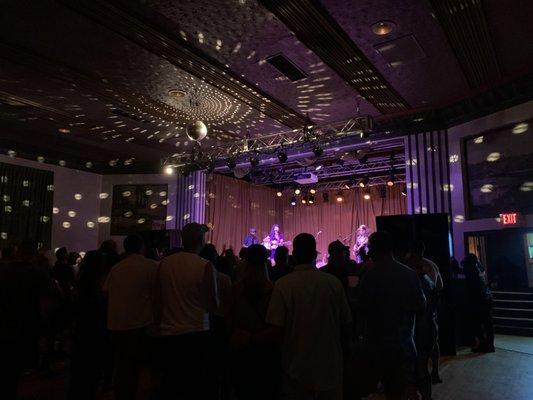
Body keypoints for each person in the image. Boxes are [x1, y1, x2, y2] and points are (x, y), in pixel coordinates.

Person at [266, 233, 352, 400]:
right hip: (330, 364)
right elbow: (346, 323)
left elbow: (276, 328)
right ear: (315, 255)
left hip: (296, 367)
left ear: (294, 256)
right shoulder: (333, 283)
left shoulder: (283, 285)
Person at [358, 231, 426, 400]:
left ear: (373, 250)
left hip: (377, 348)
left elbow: (362, 310)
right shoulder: (409, 274)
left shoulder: (369, 277)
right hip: (404, 346)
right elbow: (421, 305)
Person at [156, 223, 218, 400]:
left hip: (168, 332)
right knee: (195, 383)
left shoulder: (164, 264)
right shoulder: (205, 266)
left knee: (171, 381)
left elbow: (157, 298)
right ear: (200, 240)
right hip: (197, 331)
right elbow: (213, 304)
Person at [103, 235, 158, 400]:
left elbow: (106, 292)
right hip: (140, 323)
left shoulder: (117, 268)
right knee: (142, 366)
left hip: (117, 324)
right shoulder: (151, 266)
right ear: (142, 247)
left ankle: (122, 393)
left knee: (122, 365)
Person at [226, 244, 280, 400]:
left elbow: (228, 321)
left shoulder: (235, 290)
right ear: (266, 263)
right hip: (268, 352)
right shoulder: (275, 290)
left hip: (242, 351)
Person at [0, 242, 50, 400]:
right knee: (15, 364)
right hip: (26, 323)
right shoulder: (37, 273)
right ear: (33, 254)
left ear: (17, 252)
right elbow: (44, 301)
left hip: (5, 321)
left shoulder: (4, 270)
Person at [405, 241, 443, 383]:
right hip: (430, 314)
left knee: (415, 348)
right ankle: (435, 372)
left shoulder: (408, 266)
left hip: (415, 314)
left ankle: (416, 379)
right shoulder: (432, 265)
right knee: (433, 343)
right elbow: (440, 286)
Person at [412, 260, 439, 400]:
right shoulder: (428, 278)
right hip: (429, 326)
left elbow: (419, 307)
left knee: (419, 369)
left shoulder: (417, 283)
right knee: (422, 368)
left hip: (420, 330)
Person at [463, 253, 495, 353]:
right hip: (486, 298)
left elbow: (463, 268)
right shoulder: (479, 268)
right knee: (487, 324)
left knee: (478, 324)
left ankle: (484, 344)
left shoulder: (471, 270)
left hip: (480, 301)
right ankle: (489, 345)